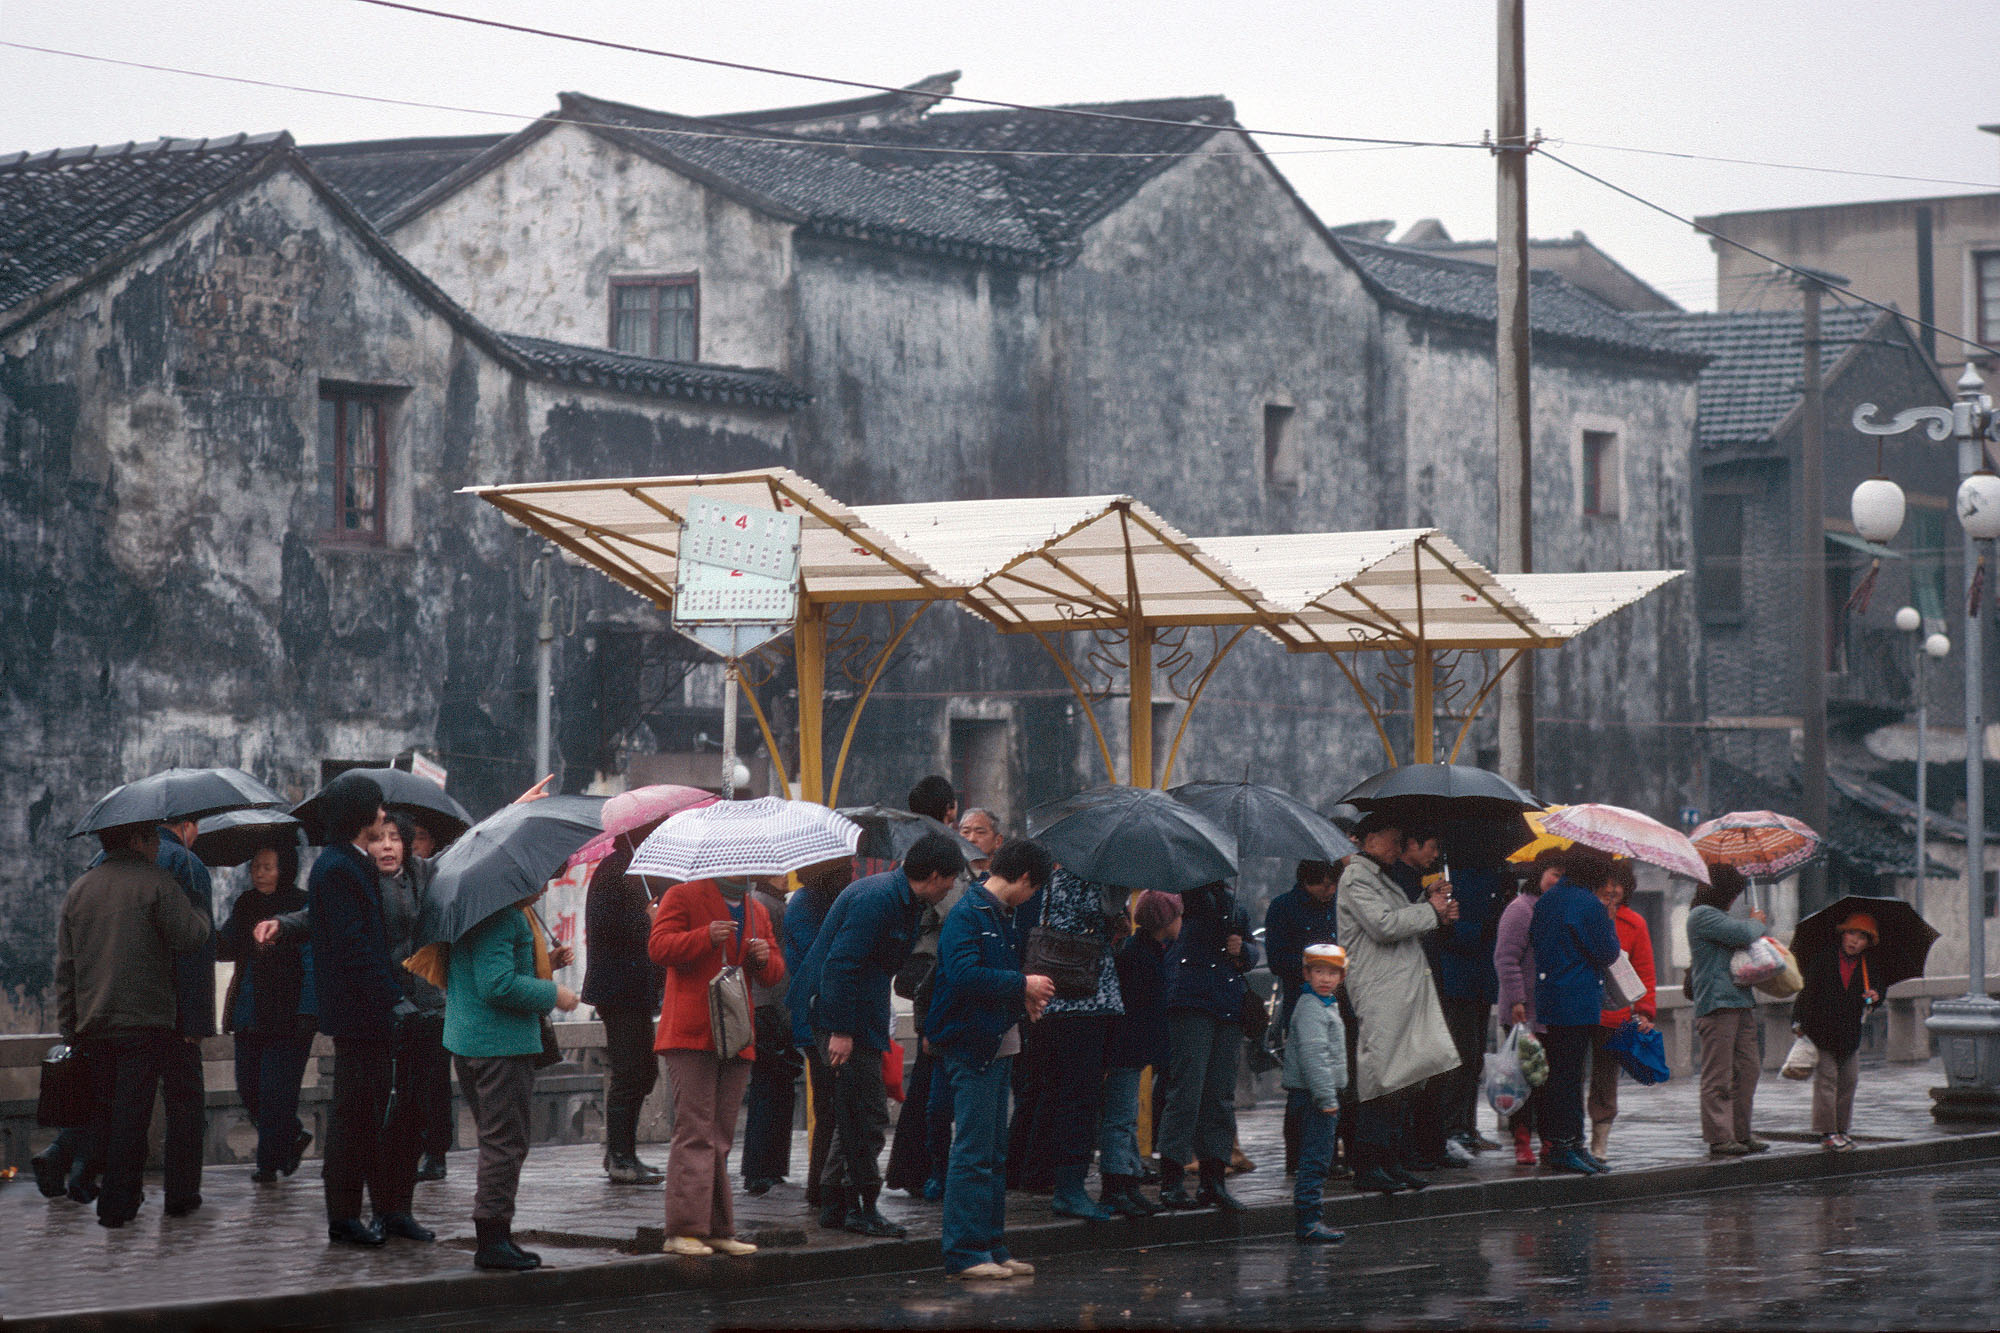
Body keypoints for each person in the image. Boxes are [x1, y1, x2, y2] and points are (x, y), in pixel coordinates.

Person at [796, 833, 966, 1236]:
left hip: (862, 1016)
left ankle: (836, 1201)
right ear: (936, 875)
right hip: (840, 1018)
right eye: (951, 880)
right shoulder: (878, 899)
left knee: (853, 1113)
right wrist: (839, 1030)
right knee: (866, 1115)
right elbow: (841, 965)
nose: (950, 889)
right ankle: (861, 1206)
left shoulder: (904, 900)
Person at [54, 821, 213, 1227]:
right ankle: (118, 1203)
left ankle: (98, 1186)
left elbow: (66, 969)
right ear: (138, 840)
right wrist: (198, 909)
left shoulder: (80, 889)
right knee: (131, 1116)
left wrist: (70, 1027)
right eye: (154, 839)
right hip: (144, 1021)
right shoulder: (157, 883)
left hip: (93, 1022)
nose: (159, 846)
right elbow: (189, 937)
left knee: (106, 1109)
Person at [301, 772, 433, 1248]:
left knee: (385, 1115)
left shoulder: (349, 863)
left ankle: (390, 1209)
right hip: (363, 1016)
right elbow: (354, 948)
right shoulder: (339, 868)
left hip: (379, 1013)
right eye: (376, 810)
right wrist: (391, 998)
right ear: (361, 816)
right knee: (356, 1118)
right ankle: (345, 1216)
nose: (383, 817)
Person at [927, 837, 1057, 1280]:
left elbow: (996, 980)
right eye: (1034, 888)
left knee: (994, 1153)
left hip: (998, 1042)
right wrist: (1022, 984)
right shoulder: (969, 913)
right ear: (1023, 878)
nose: (1033, 897)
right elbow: (964, 975)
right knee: (974, 1152)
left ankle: (992, 1246)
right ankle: (965, 1252)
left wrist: (1024, 998)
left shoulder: (1000, 914)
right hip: (972, 1045)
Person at [648, 872, 786, 1257]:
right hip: (692, 1030)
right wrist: (704, 937)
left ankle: (717, 1227)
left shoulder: (756, 909)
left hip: (736, 1031)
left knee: (721, 1133)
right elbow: (659, 948)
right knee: (695, 1128)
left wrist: (763, 958)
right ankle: (683, 1228)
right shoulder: (682, 896)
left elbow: (775, 972)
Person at [444, 888, 580, 1270]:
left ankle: (497, 1235)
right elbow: (497, 985)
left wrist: (545, 965)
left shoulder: (476, 909)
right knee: (505, 1142)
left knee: (499, 1139)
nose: (546, 886)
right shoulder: (501, 915)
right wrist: (554, 993)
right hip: (498, 1044)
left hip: (472, 1039)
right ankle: (492, 1239)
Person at [1336, 812, 1459, 1195]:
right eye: (1391, 838)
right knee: (1381, 1078)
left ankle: (1390, 1159)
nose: (1395, 846)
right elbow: (1384, 925)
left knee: (1402, 1076)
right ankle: (1370, 1162)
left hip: (1399, 990)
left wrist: (1428, 902)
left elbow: (1397, 917)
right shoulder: (1357, 877)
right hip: (1379, 990)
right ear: (1369, 839)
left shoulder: (1378, 876)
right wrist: (1430, 911)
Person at [1009, 868, 1125, 1220]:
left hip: (1048, 998)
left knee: (1053, 1091)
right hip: (1083, 999)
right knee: (1081, 1096)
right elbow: (1106, 915)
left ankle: (1041, 1173)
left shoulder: (1047, 879)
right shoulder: (1091, 879)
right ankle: (1070, 1187)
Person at [1157, 880, 1259, 1212]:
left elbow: (1251, 947)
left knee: (1220, 1094)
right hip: (1191, 999)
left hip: (1227, 1001)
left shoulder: (1232, 900)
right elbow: (1175, 935)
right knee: (1186, 1090)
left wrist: (1242, 950)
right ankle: (1171, 1178)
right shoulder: (1180, 894)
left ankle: (1214, 1178)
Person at [216, 842, 315, 1183]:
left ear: (285, 869)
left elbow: (311, 962)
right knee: (248, 1087)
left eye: (268, 867)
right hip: (249, 1011)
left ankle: (268, 1164)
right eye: (256, 866)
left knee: (276, 1092)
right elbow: (226, 945)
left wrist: (308, 1010)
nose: (259, 873)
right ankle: (292, 1137)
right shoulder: (246, 904)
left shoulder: (302, 906)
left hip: (288, 1014)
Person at [372, 814, 456, 1185]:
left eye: (394, 838)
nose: (387, 845)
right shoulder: (362, 884)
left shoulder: (422, 875)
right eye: (378, 838)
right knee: (398, 1087)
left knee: (434, 1084)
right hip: (388, 1003)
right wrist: (283, 924)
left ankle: (436, 1154)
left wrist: (516, 806)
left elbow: (461, 851)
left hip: (428, 999)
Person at [1527, 848, 1622, 1175]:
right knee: (1571, 1076)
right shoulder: (1588, 905)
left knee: (1559, 1075)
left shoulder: (1546, 901)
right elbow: (1607, 952)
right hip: (1579, 998)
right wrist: (1609, 921)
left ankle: (1563, 1143)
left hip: (1550, 994)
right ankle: (1569, 1145)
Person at [581, 836, 666, 1185]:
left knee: (644, 1072)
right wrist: (649, 920)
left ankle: (622, 1151)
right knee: (631, 1071)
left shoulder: (639, 869)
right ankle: (620, 1156)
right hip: (619, 990)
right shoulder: (616, 870)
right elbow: (608, 928)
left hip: (636, 990)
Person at [1384, 828, 1463, 1172]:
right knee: (1414, 1071)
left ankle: (1433, 1143)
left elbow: (1436, 936)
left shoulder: (1419, 881)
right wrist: (1429, 908)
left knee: (1437, 1065)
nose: (1434, 855)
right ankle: (1412, 1147)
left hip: (1432, 979)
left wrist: (1445, 918)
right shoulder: (1393, 883)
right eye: (1431, 845)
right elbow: (1398, 929)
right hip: (1407, 983)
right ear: (1411, 843)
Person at [1098, 889, 1177, 1217]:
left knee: (1125, 1115)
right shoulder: (1139, 956)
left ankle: (1127, 1180)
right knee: (1121, 1117)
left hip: (1131, 1047)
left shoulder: (1147, 951)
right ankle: (1116, 1184)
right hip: (1126, 1048)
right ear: (1165, 920)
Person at [783, 859, 854, 1221]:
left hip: (819, 1016)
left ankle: (823, 1185)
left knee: (832, 1106)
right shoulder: (805, 905)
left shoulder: (822, 901)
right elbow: (819, 956)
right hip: (816, 1019)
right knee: (829, 1107)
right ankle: (821, 1187)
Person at [1262, 860, 1341, 1176]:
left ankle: (1327, 1156)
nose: (1329, 891)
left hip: (1333, 1000)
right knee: (1302, 1082)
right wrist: (1317, 964)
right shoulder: (1284, 907)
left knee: (1329, 1077)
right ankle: (1297, 1157)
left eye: (1332, 884)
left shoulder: (1334, 906)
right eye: (1323, 885)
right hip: (1300, 1001)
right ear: (1307, 882)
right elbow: (1277, 959)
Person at [1686, 862, 1770, 1156]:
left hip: (1741, 1000)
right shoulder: (1702, 916)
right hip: (1717, 1004)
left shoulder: (1719, 916)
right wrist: (1758, 921)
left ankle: (1741, 1132)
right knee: (1718, 1075)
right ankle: (1720, 1136)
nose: (1734, 898)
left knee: (1748, 1070)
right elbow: (1744, 933)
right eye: (1731, 892)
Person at [1792, 911, 1880, 1152]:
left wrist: (1876, 996)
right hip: (1821, 1030)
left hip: (1850, 1033)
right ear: (1843, 934)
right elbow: (1806, 991)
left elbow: (1877, 990)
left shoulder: (1867, 965)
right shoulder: (1824, 958)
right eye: (1851, 933)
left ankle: (1842, 1130)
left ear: (1868, 943)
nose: (1854, 941)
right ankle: (1827, 1133)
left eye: (1862, 937)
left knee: (1849, 1081)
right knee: (1827, 1082)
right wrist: (1797, 1021)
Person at [1589, 860, 1656, 1160]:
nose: (1611, 890)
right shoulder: (1581, 917)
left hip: (1613, 1016)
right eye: (1605, 882)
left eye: (1618, 884)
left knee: (1605, 1078)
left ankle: (1599, 1141)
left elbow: (1645, 971)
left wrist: (1644, 1011)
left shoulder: (1634, 924)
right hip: (1579, 1010)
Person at [1283, 944, 1350, 1245]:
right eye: (1319, 971)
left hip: (1316, 1095)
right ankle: (1308, 1220)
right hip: (1314, 1097)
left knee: (1317, 1158)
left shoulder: (1324, 1004)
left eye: (1332, 972)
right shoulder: (1312, 1008)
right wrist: (1326, 1099)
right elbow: (1314, 1057)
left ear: (1342, 976)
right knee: (1315, 1159)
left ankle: (1311, 1218)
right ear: (1307, 974)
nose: (1325, 978)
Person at [740, 876, 800, 1195]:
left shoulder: (770, 903)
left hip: (772, 1004)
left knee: (776, 1086)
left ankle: (771, 1166)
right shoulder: (763, 904)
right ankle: (760, 1168)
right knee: (768, 1087)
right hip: (767, 1006)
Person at [1494, 858, 1546, 1166]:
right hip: (1522, 1011)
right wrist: (1516, 1000)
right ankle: (1522, 1140)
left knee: (1545, 1081)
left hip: (1548, 1009)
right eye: (1554, 874)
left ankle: (1548, 1140)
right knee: (1521, 1080)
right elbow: (1506, 959)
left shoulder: (1550, 909)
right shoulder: (1520, 909)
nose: (1558, 881)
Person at [958, 808, 1003, 874]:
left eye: (980, 832)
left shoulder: (1010, 876)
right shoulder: (950, 875)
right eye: (966, 832)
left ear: (998, 841)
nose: (971, 839)